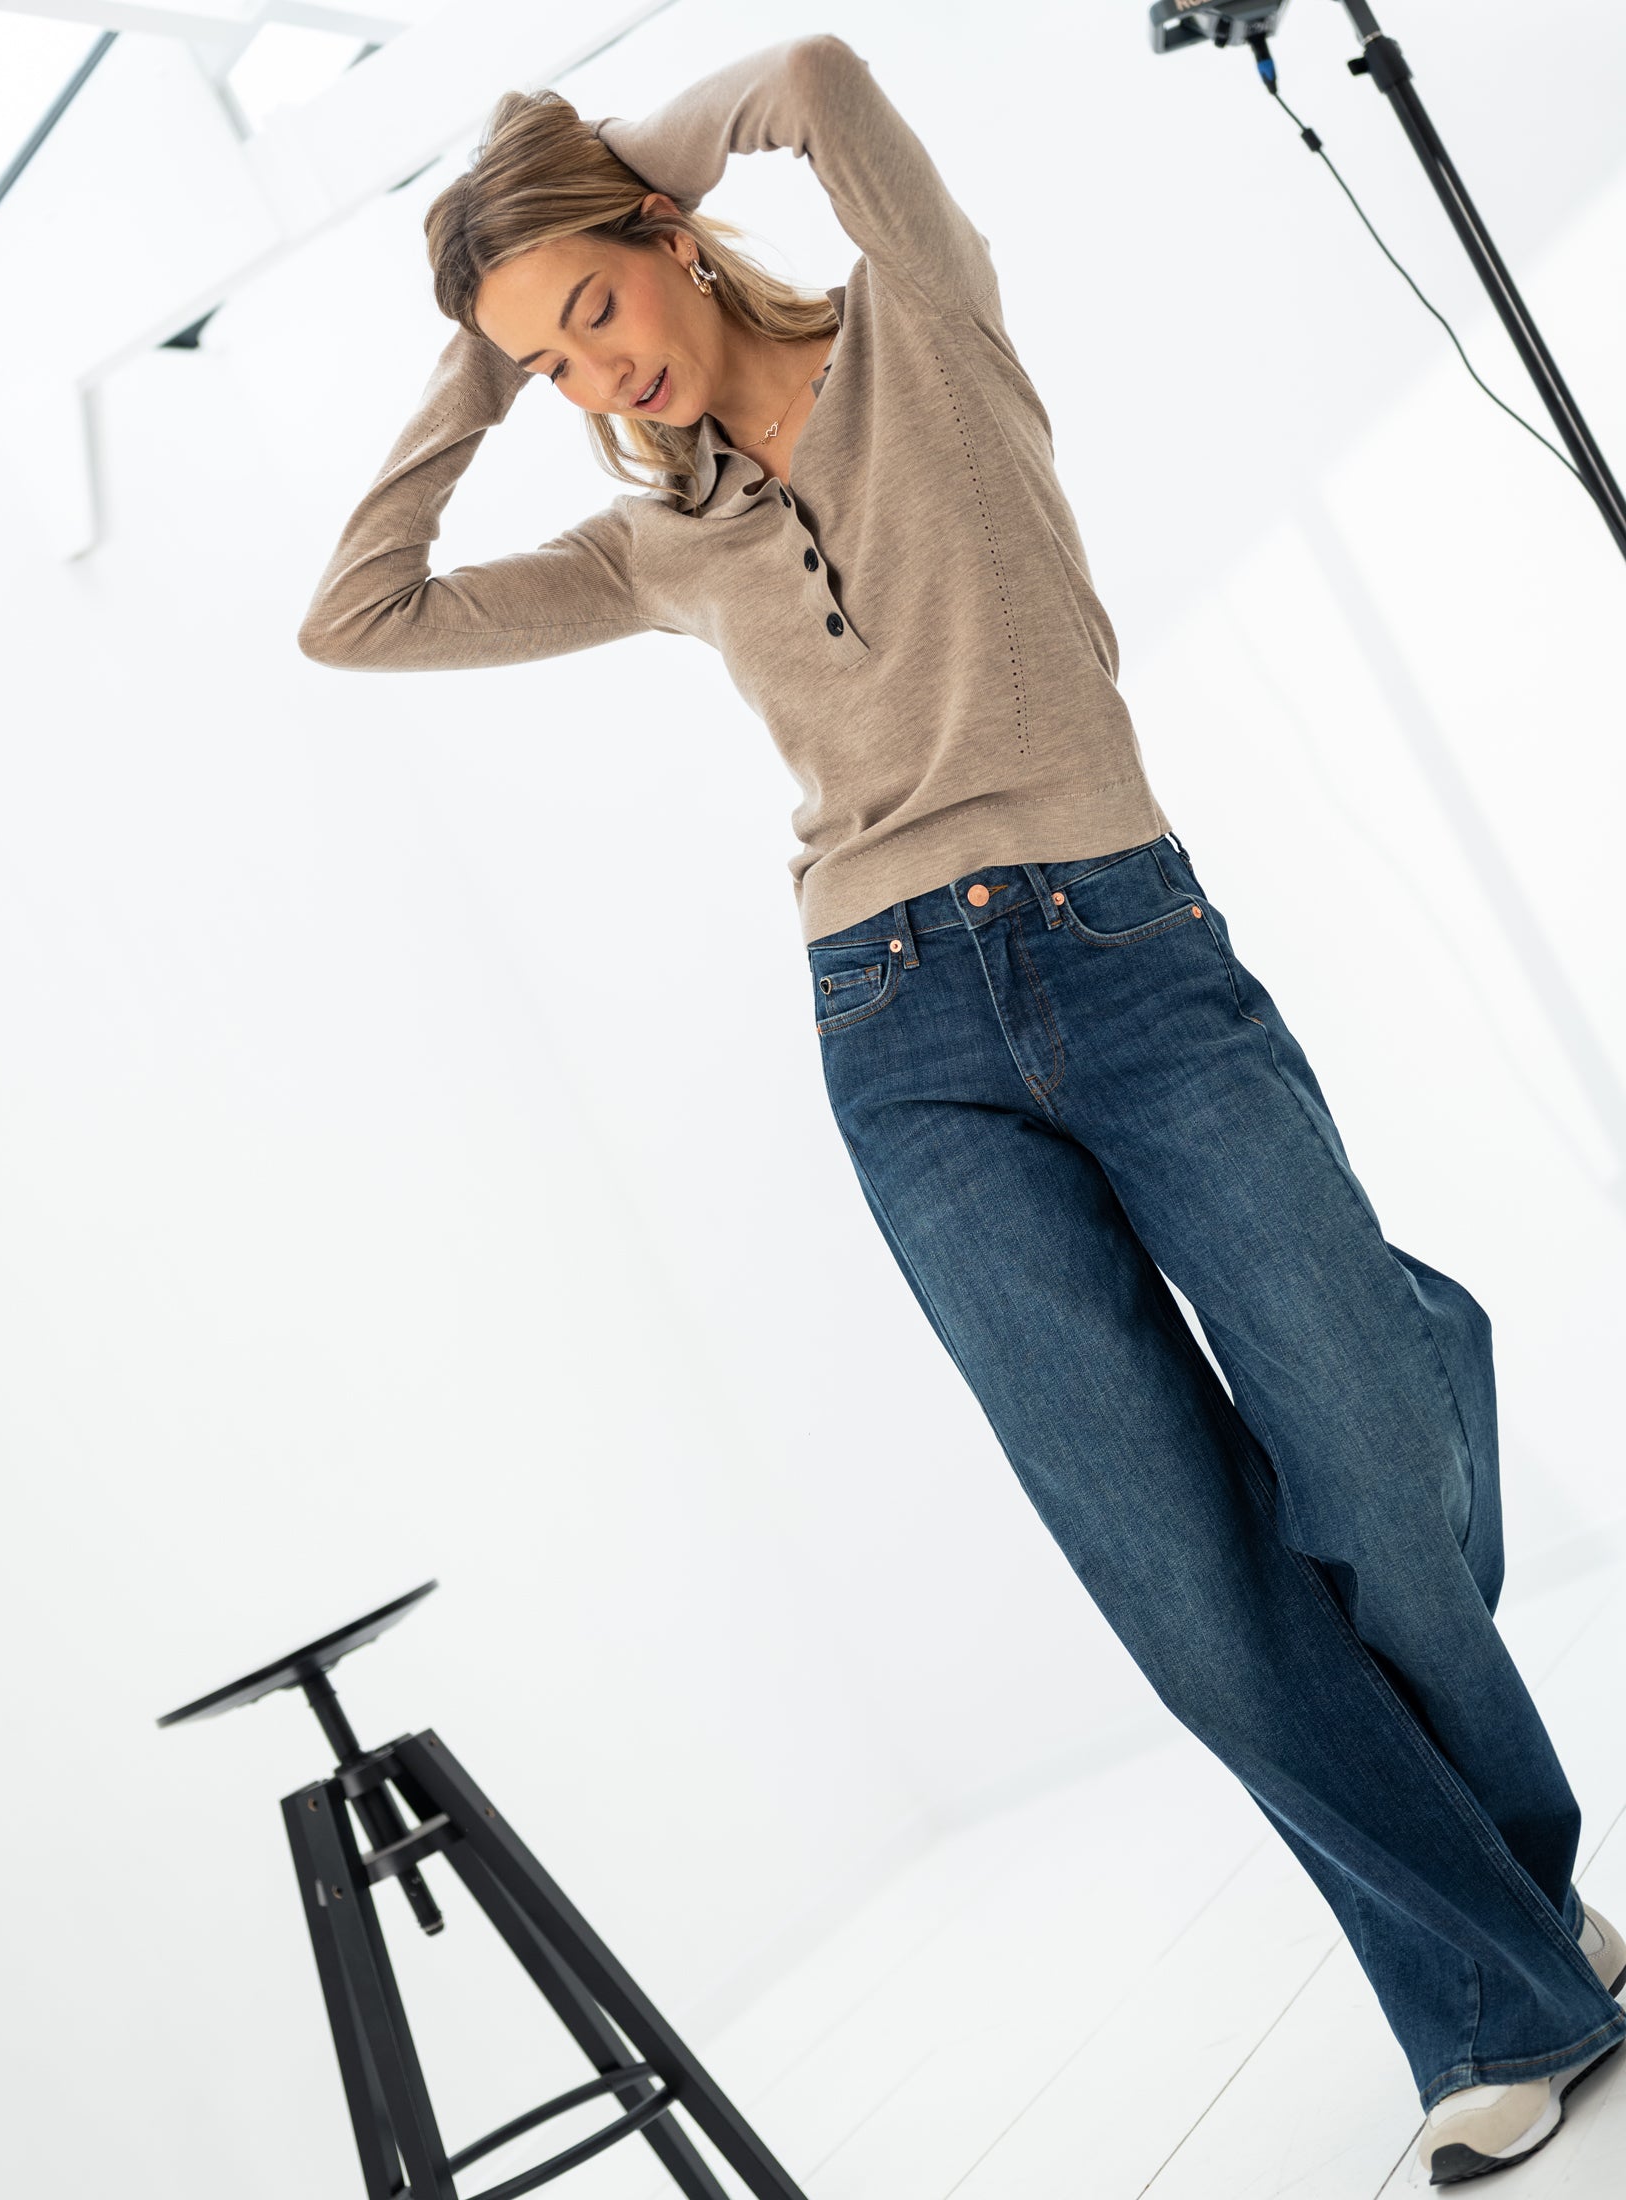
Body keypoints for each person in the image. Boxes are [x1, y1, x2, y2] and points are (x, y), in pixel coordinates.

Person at [294, 33, 1625, 2182]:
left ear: (665, 235)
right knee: (1180, 1568)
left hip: (1137, 962)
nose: (594, 377)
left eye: (599, 312)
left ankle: (1491, 1843)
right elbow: (353, 619)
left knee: (1370, 1439)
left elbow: (815, 74)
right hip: (895, 1041)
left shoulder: (931, 322)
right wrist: (480, 347)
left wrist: (590, 177)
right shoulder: (649, 552)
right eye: (550, 370)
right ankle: (1492, 1976)